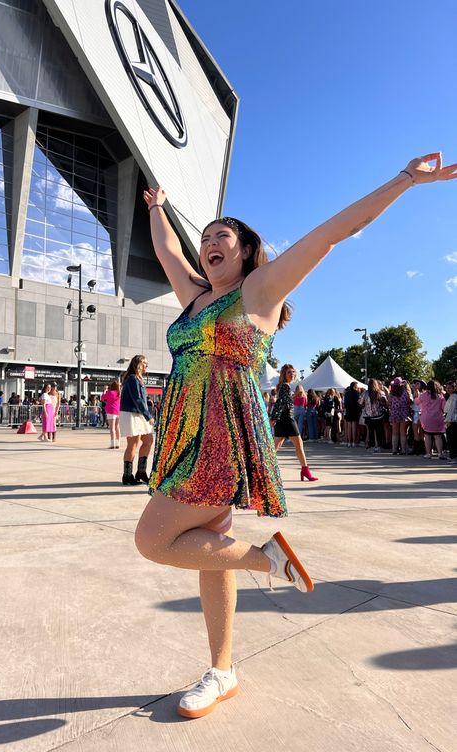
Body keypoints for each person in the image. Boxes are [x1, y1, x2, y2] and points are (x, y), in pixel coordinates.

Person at [134, 153, 457, 719]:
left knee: (153, 539)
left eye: (223, 236)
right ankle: (221, 670)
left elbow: (335, 231)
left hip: (223, 435)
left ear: (245, 250)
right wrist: (158, 208)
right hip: (185, 433)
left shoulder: (260, 289)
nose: (210, 242)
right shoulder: (193, 297)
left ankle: (268, 561)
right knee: (211, 557)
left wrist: (405, 180)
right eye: (205, 236)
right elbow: (166, 248)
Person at [271, 365, 318, 481]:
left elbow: (280, 403)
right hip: (286, 418)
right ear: (284, 374)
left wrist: (275, 417)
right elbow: (280, 404)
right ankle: (305, 470)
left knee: (276, 446)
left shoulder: (285, 387)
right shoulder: (285, 387)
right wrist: (274, 417)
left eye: (293, 372)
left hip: (284, 418)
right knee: (298, 445)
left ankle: (263, 467)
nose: (291, 374)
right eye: (289, 373)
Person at [119, 355, 154, 485]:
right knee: (133, 444)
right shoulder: (133, 379)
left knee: (148, 440)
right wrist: (148, 416)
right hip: (132, 414)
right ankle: (127, 476)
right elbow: (138, 399)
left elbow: (141, 400)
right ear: (138, 364)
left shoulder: (137, 379)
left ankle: (141, 472)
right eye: (145, 363)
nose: (147, 366)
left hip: (138, 414)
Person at [415, 380, 446, 459]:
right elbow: (444, 408)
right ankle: (440, 453)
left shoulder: (423, 395)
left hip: (426, 418)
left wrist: (417, 395)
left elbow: (417, 402)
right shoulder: (440, 396)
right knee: (438, 436)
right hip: (438, 418)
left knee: (427, 436)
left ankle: (428, 453)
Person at [360, 378, 387, 452]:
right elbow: (385, 402)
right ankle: (378, 447)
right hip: (379, 415)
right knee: (379, 431)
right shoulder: (380, 392)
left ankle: (371, 446)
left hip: (369, 415)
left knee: (370, 431)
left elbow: (360, 402)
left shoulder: (365, 393)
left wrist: (365, 405)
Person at [388, 377, 412, 454]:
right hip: (404, 413)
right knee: (403, 432)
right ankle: (403, 450)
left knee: (394, 433)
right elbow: (410, 402)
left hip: (394, 413)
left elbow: (389, 403)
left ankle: (394, 450)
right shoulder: (406, 392)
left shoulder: (391, 394)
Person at [101, 380, 121, 449]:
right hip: (118, 411)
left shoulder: (110, 393)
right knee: (117, 427)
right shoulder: (119, 393)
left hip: (111, 411)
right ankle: (118, 443)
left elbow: (103, 397)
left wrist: (105, 390)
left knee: (112, 428)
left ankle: (112, 444)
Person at [343, 382, 362, 447]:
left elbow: (345, 404)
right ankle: (353, 442)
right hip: (355, 411)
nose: (357, 387)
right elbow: (359, 403)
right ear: (354, 386)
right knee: (354, 427)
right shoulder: (357, 393)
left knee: (349, 427)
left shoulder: (346, 393)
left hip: (348, 411)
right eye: (356, 386)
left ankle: (349, 442)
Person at [443, 382, 457, 463]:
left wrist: (448, 420)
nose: (448, 389)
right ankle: (453, 456)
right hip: (451, 419)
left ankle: (454, 456)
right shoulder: (450, 396)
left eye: (450, 388)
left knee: (452, 439)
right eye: (447, 388)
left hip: (453, 420)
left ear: (454, 388)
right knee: (451, 438)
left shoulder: (454, 396)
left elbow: (452, 409)